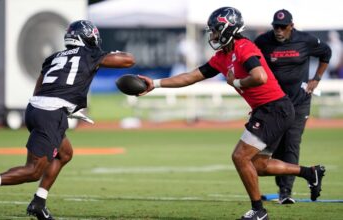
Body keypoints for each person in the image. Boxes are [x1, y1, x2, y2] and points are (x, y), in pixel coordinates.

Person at [138, 7, 325, 220]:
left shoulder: (244, 48)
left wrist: (235, 82)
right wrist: (155, 84)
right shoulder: (222, 57)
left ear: (228, 29)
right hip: (268, 110)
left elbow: (260, 76)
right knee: (259, 165)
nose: (212, 35)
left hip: (274, 109)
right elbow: (190, 77)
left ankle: (258, 211)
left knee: (240, 156)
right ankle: (310, 173)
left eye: (215, 30)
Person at [0, 20, 135, 219]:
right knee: (33, 171)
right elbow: (129, 60)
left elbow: (40, 87)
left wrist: (65, 105)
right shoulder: (90, 54)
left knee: (65, 154)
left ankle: (38, 202)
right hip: (50, 114)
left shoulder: (54, 57)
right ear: (87, 36)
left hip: (36, 108)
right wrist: (111, 54)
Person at [254, 9, 331, 204]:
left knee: (292, 143)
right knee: (275, 146)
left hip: (299, 102)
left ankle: (285, 193)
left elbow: (326, 53)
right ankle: (285, 186)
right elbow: (252, 62)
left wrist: (316, 79)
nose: (278, 30)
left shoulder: (306, 40)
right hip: (274, 103)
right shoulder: (263, 42)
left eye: (282, 27)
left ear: (291, 26)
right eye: (275, 27)